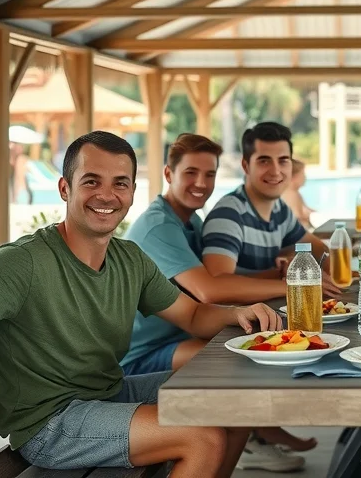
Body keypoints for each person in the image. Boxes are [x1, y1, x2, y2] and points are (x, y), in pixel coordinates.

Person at [0, 131, 282, 478]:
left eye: (120, 183)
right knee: (201, 438)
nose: (107, 195)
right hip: (51, 423)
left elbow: (193, 314)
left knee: (232, 397)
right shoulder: (23, 262)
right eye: (91, 181)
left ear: (131, 191)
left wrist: (236, 313)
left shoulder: (129, 259)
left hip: (108, 395)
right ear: (65, 188)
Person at [120, 133, 315, 471]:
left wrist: (276, 272)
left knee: (252, 358)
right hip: (140, 355)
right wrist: (288, 286)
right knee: (242, 368)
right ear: (168, 174)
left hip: (179, 336)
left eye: (209, 175)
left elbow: (213, 283)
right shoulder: (158, 226)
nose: (201, 183)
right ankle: (258, 433)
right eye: (191, 173)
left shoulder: (190, 220)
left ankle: (255, 435)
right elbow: (209, 291)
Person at [202, 122, 335, 284]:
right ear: (246, 166)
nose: (275, 171)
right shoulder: (229, 214)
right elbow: (219, 283)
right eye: (264, 161)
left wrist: (334, 279)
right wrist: (284, 276)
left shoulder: (280, 210)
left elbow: (319, 250)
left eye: (283, 160)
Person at [281, 158, 315, 230]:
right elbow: (296, 218)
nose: (305, 177)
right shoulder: (291, 194)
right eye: (303, 174)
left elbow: (307, 210)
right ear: (293, 177)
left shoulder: (295, 193)